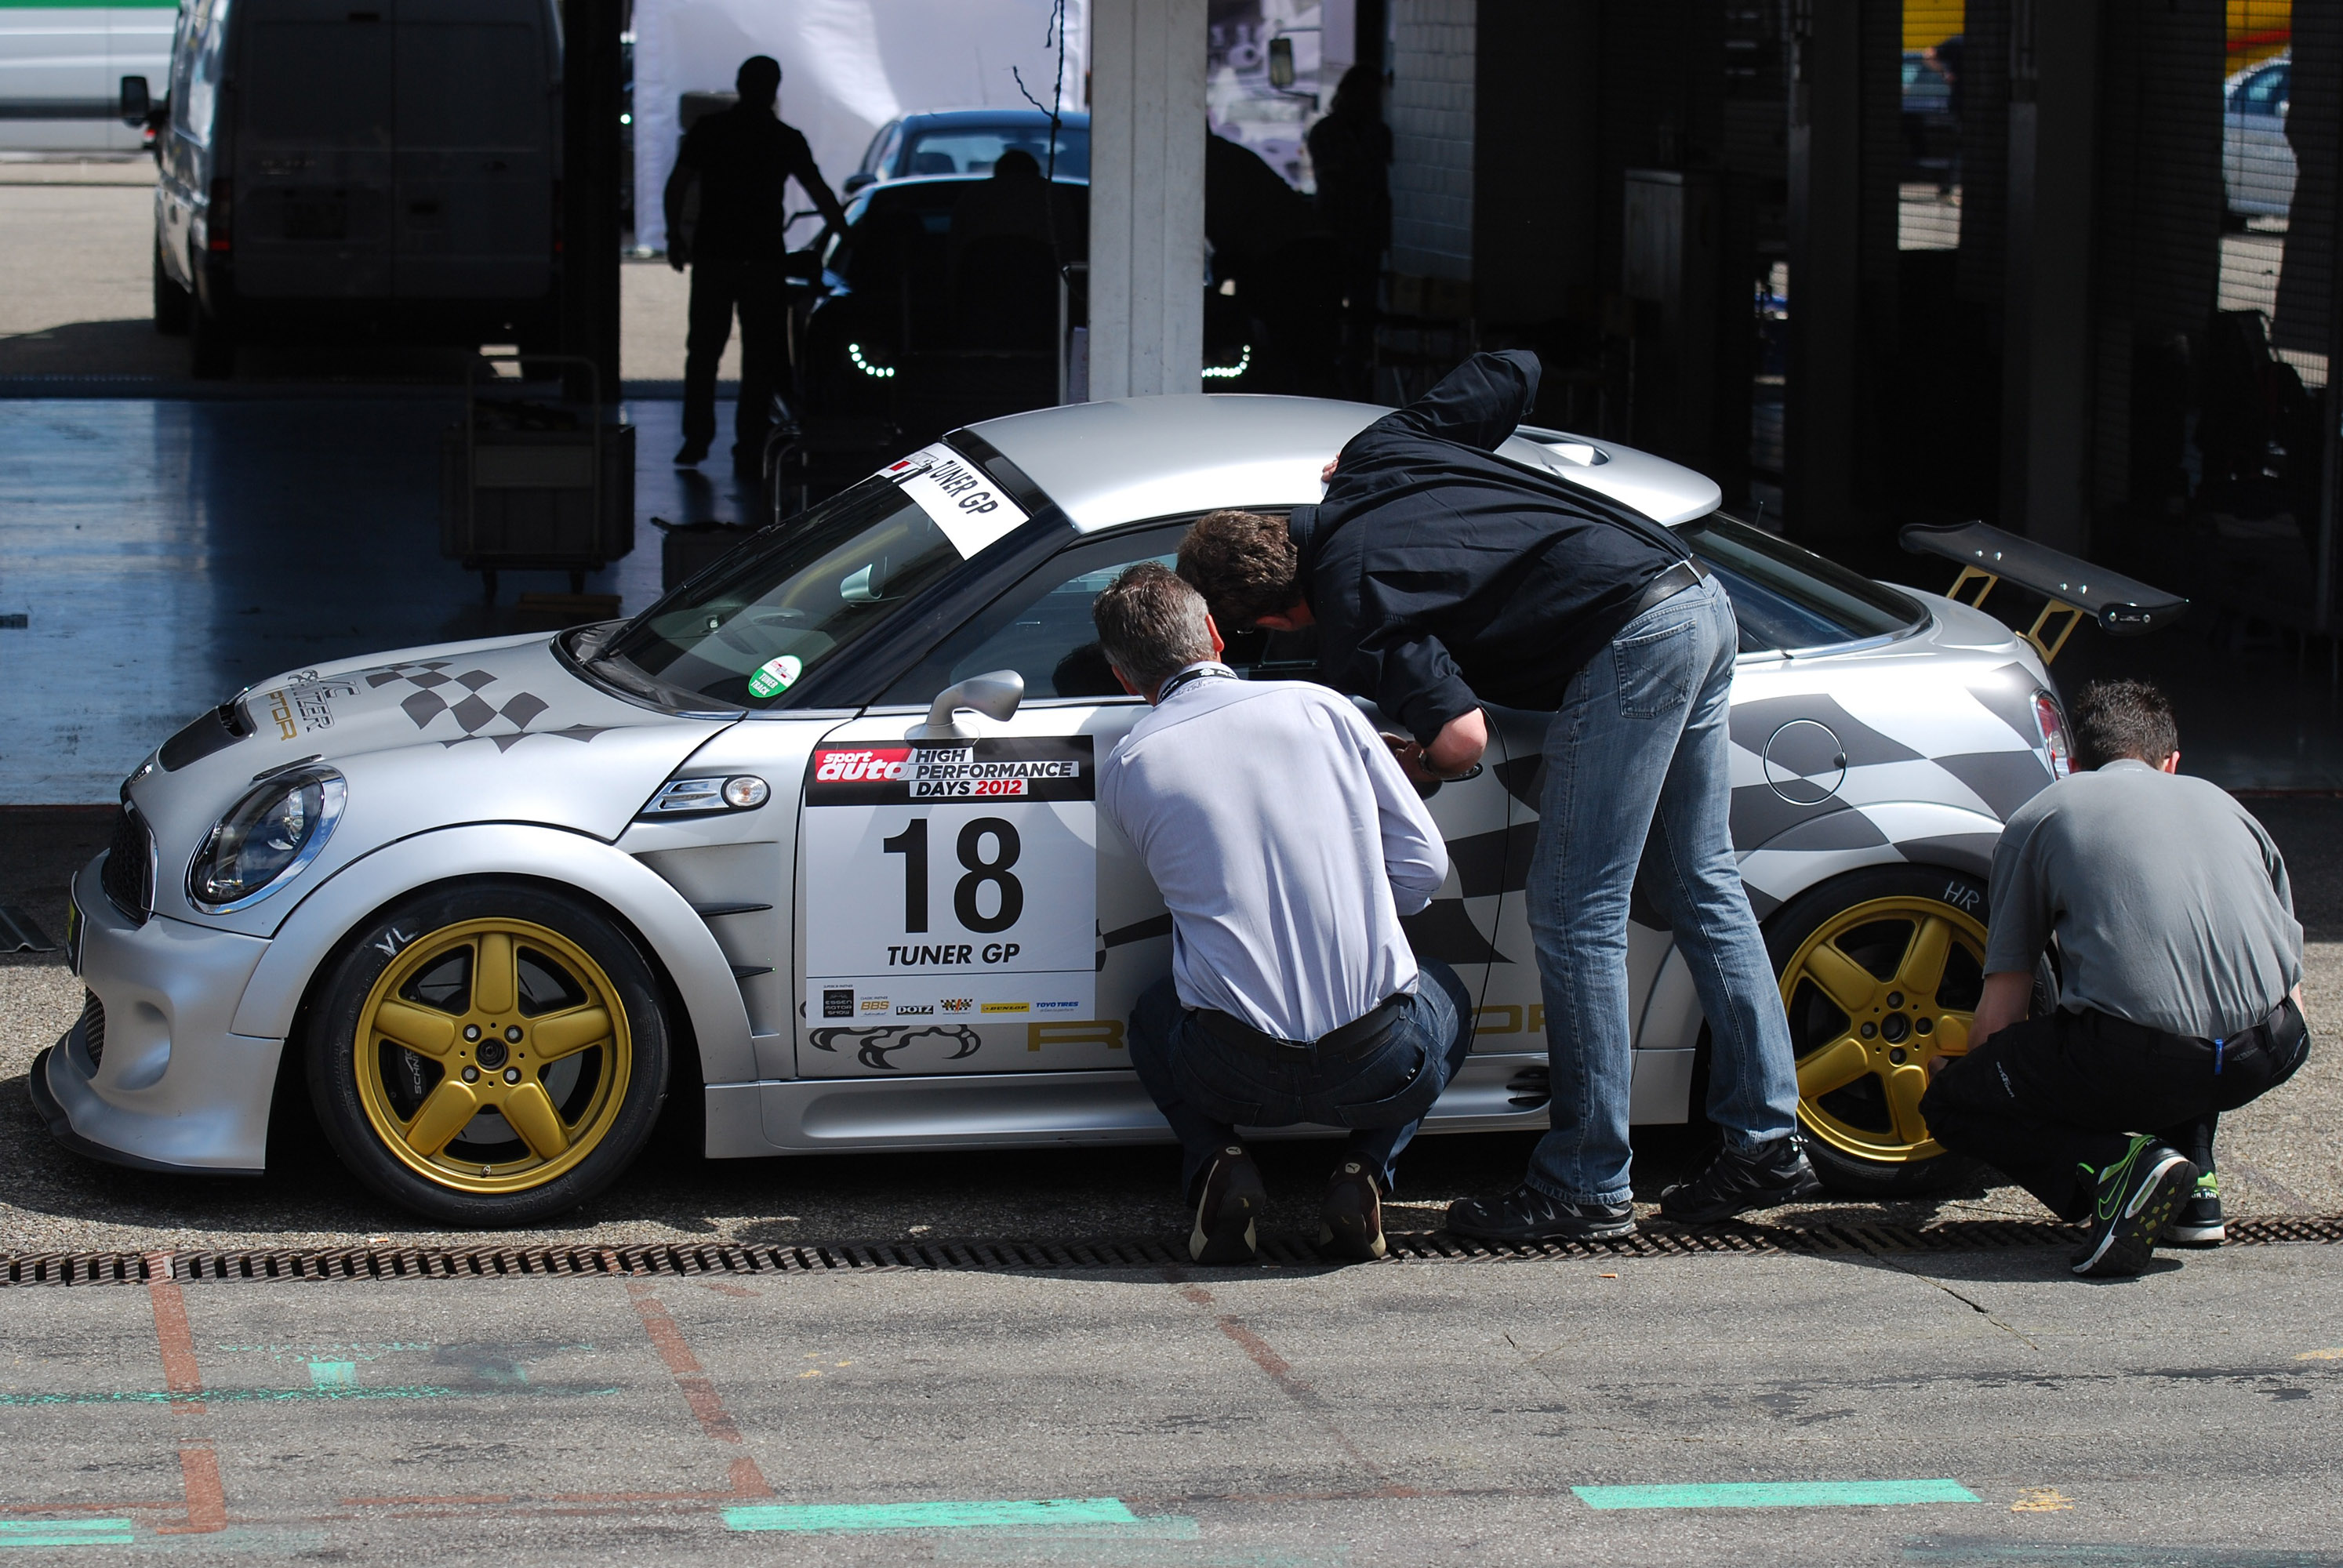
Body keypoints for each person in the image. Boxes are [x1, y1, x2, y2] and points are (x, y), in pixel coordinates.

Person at [1176, 350, 1812, 1243]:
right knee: (1700, 880)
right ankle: (1765, 1139)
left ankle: (1588, 1182)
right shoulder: (1378, 451)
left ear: (1271, 618)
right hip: (1698, 598)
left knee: (1574, 906)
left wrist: (1411, 759)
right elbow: (1514, 368)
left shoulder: (1352, 599)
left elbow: (1463, 738)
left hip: (1628, 640)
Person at [1092, 563, 1474, 1265]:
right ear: (1213, 633)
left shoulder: (1128, 765)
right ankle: (1365, 1171)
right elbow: (1425, 866)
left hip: (1229, 1069)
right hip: (1378, 1060)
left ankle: (1219, 1162)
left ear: (1123, 679)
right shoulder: (1321, 708)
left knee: (1151, 1017)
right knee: (1449, 993)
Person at [1919, 679, 2307, 1279]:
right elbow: (2289, 988)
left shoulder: (2045, 813)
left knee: (1951, 1100)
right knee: (2193, 1010)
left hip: (2143, 1058)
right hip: (2272, 1049)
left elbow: (2004, 1009)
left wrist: (1977, 1085)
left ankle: (2112, 1172)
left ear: (2074, 763)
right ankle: (2195, 1186)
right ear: (2171, 763)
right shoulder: (2232, 809)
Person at [663, 56, 850, 472]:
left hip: (714, 255)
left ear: (740, 84)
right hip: (763, 258)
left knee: (704, 350)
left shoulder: (709, 132)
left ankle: (696, 438)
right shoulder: (784, 138)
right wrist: (848, 235)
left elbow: (677, 184)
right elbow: (818, 191)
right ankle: (749, 441)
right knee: (760, 355)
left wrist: (675, 236)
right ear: (774, 89)